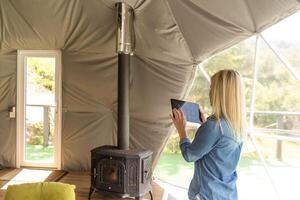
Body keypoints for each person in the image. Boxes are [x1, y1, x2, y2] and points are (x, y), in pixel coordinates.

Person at [170, 70, 246, 200]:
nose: (209, 92)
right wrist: (204, 123)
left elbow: (189, 155)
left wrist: (182, 130)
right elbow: (218, 154)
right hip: (227, 194)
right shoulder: (237, 126)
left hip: (206, 195)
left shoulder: (214, 127)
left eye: (212, 88)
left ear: (219, 93)